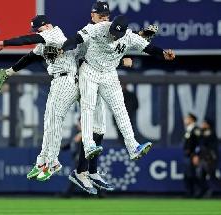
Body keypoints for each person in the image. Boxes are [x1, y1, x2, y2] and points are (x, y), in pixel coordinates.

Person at [0, 15, 102, 182]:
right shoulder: (45, 41)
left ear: (47, 25)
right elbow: (29, 57)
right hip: (59, 80)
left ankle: (52, 162)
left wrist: (5, 43)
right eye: (36, 30)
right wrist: (8, 72)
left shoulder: (54, 34)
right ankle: (43, 161)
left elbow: (28, 39)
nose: (37, 32)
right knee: (49, 123)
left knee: (54, 122)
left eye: (39, 29)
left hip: (67, 79)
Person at [61, 15, 175, 163]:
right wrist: (62, 49)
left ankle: (133, 147)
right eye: (114, 31)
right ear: (111, 25)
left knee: (120, 108)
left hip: (109, 74)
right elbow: (76, 39)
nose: (115, 35)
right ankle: (88, 145)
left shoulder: (128, 36)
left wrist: (163, 54)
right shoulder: (99, 28)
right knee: (88, 108)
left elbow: (149, 48)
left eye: (118, 33)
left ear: (125, 31)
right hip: (90, 70)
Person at [182, 113, 201, 197]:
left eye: (187, 118)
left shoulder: (196, 129)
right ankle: (189, 192)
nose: (185, 120)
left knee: (193, 174)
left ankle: (197, 192)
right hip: (188, 155)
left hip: (193, 155)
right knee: (187, 174)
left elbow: (199, 144)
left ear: (191, 119)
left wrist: (196, 155)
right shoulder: (189, 129)